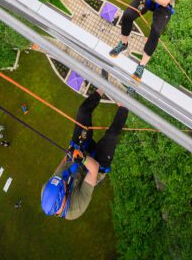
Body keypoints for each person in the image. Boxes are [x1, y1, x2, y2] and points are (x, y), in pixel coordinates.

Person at [41, 89, 128, 220]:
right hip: (95, 168)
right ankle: (126, 103)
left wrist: (70, 152)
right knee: (111, 136)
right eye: (62, 183)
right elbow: (93, 169)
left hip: (76, 157)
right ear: (63, 195)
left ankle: (102, 87)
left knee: (83, 112)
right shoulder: (76, 207)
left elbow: (62, 166)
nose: (61, 180)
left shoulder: (47, 190)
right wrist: (82, 158)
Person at [109, 0, 180, 82]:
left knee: (156, 31)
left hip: (164, 4)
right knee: (128, 15)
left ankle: (141, 65)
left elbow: (164, 1)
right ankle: (123, 44)